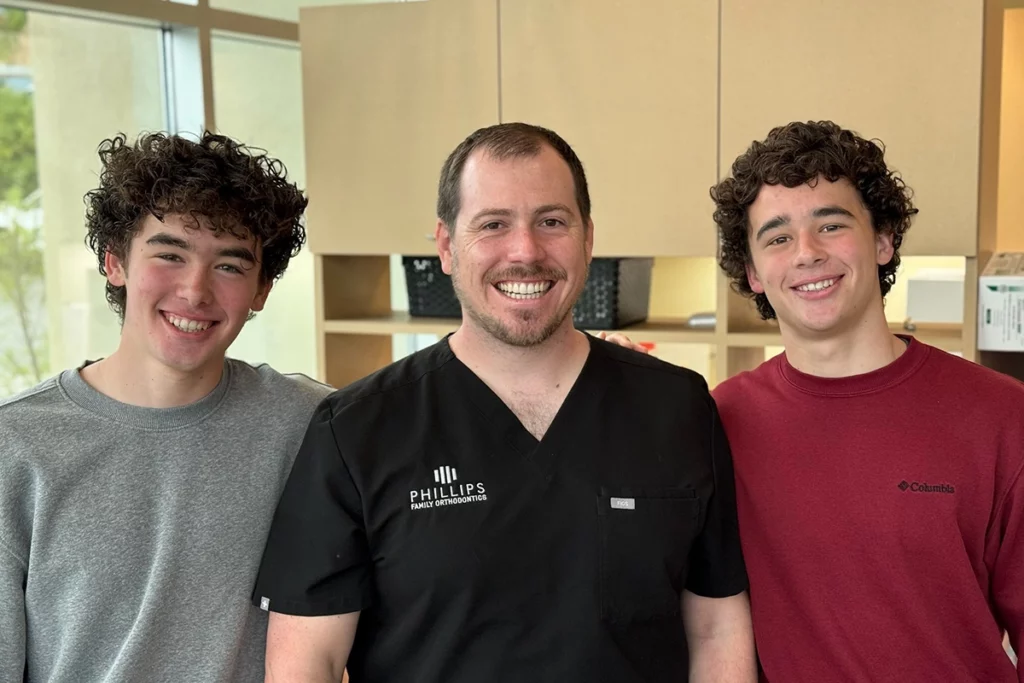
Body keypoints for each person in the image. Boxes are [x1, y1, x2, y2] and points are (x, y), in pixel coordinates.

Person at [251, 122, 756, 682]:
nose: (525, 251)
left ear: (588, 238)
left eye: (552, 222)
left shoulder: (676, 406)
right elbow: (307, 663)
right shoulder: (356, 430)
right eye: (493, 224)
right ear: (445, 246)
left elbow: (716, 626)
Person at [607, 119, 1023, 681]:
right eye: (777, 237)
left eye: (831, 224)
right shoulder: (716, 423)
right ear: (753, 273)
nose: (806, 253)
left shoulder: (1001, 417)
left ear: (883, 239)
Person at [0, 131, 332, 683]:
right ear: (114, 262)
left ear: (261, 290)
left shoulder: (310, 426)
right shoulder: (15, 448)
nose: (195, 291)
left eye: (229, 265)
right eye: (169, 254)